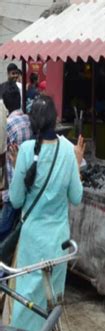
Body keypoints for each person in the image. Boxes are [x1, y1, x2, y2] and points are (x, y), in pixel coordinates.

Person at [4, 95, 84, 331]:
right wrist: (77, 164)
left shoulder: (26, 150)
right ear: (56, 119)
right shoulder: (68, 151)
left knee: (25, 303)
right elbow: (77, 198)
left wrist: (20, 168)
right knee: (51, 304)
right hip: (58, 243)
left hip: (32, 244)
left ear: (32, 123)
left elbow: (17, 200)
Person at [0, 83, 33, 241]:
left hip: (13, 184)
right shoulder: (28, 120)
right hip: (28, 182)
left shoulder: (6, 125)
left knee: (3, 227)